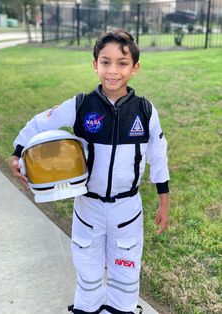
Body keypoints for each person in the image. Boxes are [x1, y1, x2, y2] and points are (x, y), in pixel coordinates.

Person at [10, 30, 169, 314]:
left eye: (122, 63)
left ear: (135, 68)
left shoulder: (145, 111)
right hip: (89, 205)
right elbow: (39, 123)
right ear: (95, 64)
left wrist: (163, 200)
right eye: (105, 62)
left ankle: (122, 309)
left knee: (126, 272)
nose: (113, 71)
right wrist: (16, 151)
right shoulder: (81, 105)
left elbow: (158, 156)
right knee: (89, 269)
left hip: (127, 209)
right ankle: (87, 309)